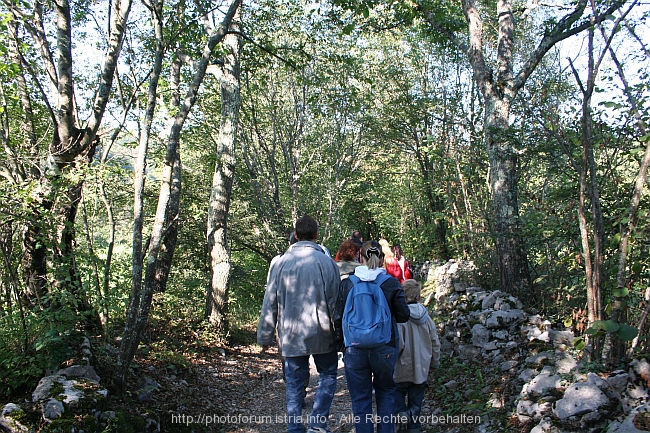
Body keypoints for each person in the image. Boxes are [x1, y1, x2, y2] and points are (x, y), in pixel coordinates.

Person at [257, 216, 341, 433]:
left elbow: (270, 300)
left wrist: (265, 335)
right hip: (322, 331)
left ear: (295, 235)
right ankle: (318, 422)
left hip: (291, 333)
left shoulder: (280, 262)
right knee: (328, 374)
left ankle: (295, 426)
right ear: (316, 236)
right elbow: (335, 301)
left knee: (294, 381)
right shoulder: (326, 262)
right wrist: (340, 331)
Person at [337, 241, 410, 433]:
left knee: (360, 399)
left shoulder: (347, 284)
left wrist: (341, 345)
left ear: (360, 257)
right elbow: (403, 315)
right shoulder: (390, 283)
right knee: (386, 393)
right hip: (385, 346)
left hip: (355, 348)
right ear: (381, 259)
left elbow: (337, 316)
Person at [393, 279, 440, 433]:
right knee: (416, 404)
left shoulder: (400, 318)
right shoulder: (427, 319)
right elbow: (435, 342)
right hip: (422, 368)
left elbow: (397, 344)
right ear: (419, 297)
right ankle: (414, 427)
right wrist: (434, 362)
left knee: (397, 398)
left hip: (401, 368)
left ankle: (401, 422)